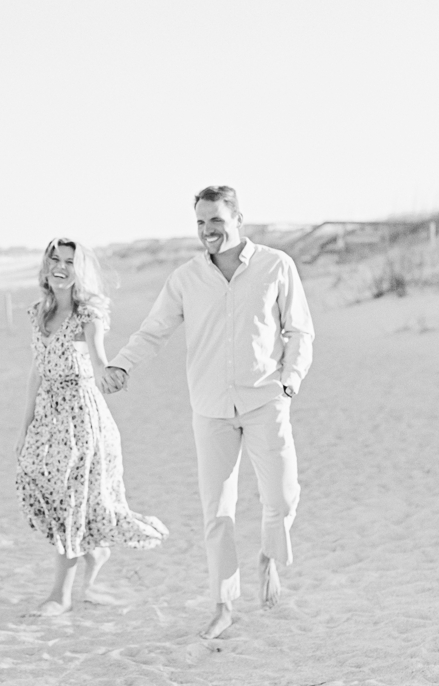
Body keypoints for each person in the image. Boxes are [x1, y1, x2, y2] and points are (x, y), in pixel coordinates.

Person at [101, 185, 314, 640]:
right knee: (217, 511)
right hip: (210, 408)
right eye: (200, 223)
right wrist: (121, 363)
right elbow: (154, 330)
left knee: (282, 497)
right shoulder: (185, 278)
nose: (207, 231)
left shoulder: (276, 265)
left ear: (238, 218)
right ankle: (223, 603)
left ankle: (269, 558)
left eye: (215, 221)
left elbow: (300, 331)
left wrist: (289, 381)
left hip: (265, 400)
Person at [15, 237, 167, 616]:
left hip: (82, 416)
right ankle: (95, 552)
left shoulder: (89, 316)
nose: (61, 267)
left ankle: (60, 596)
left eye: (69, 261)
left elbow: (99, 362)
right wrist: (26, 425)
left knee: (70, 501)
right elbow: (36, 370)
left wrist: (113, 375)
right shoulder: (38, 312)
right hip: (48, 416)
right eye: (55, 259)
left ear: (80, 269)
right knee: (47, 490)